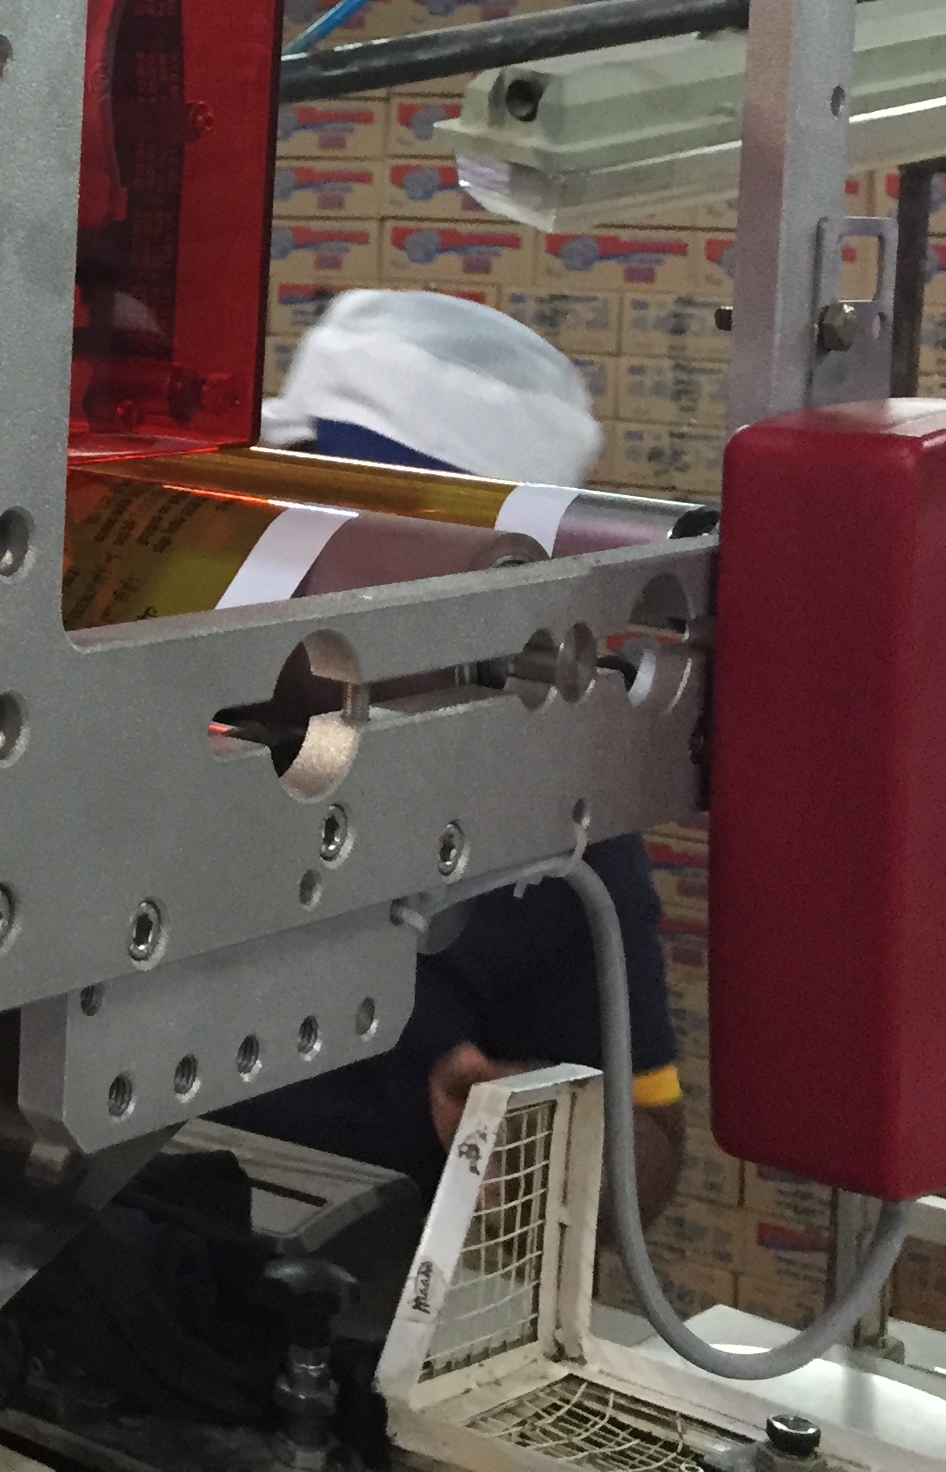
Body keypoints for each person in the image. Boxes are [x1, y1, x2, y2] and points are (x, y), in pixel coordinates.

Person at [230, 289, 687, 1221]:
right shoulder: (167, 713)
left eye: (366, 532)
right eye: (305, 516)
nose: (319, 568)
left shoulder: (557, 825)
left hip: (356, 1282)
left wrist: (526, 1130)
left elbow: (645, 1176)